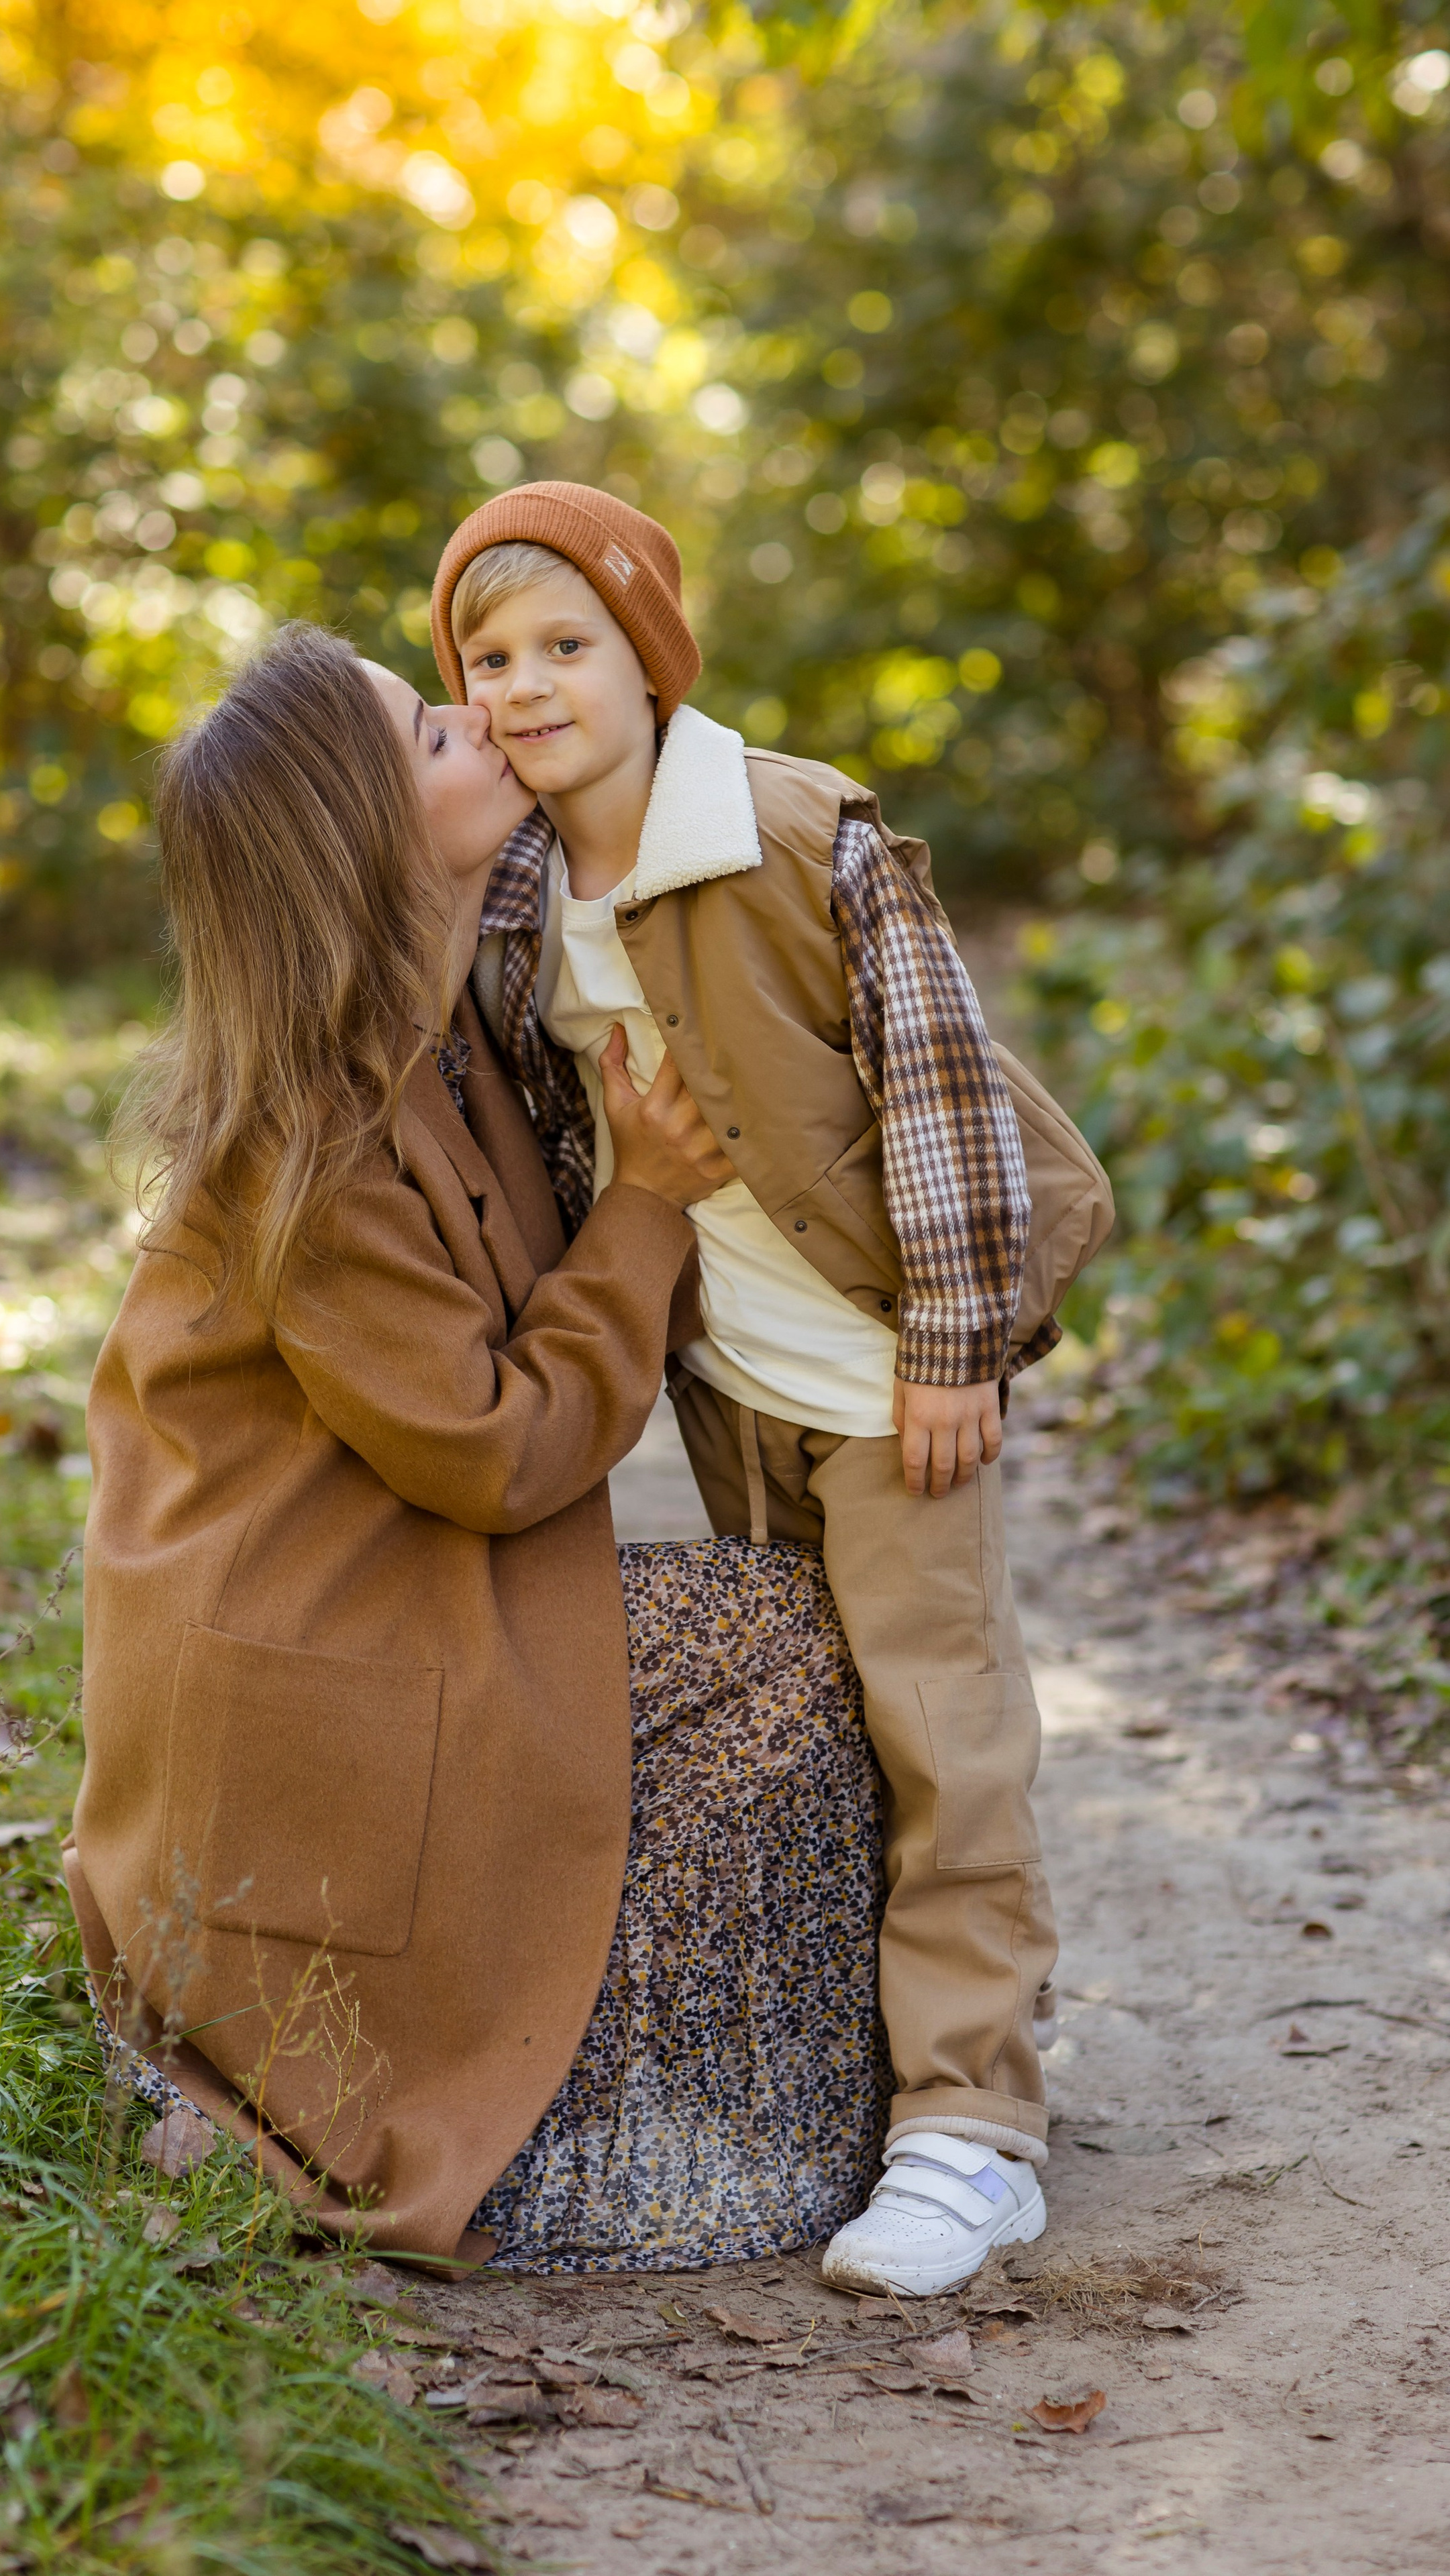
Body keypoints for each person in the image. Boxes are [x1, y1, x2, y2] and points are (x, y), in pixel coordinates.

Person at [64, 621, 891, 2273]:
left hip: (371, 1602)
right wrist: (647, 1202)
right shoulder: (307, 1137)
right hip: (307, 1663)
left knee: (771, 1626)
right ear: (361, 848)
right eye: (427, 733)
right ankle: (644, 2141)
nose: (476, 716)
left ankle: (674, 2069)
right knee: (779, 1645)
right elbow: (501, 1457)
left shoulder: (438, 1042)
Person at [430, 483, 1112, 2296]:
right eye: (486, 658)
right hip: (737, 1391)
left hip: (893, 1388)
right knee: (823, 1719)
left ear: (651, 658)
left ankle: (975, 2134)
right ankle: (885, 2066)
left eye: (565, 645)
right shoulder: (517, 895)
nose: (522, 685)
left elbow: (939, 1086)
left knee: (942, 1737)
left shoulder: (802, 833)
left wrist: (954, 1342)